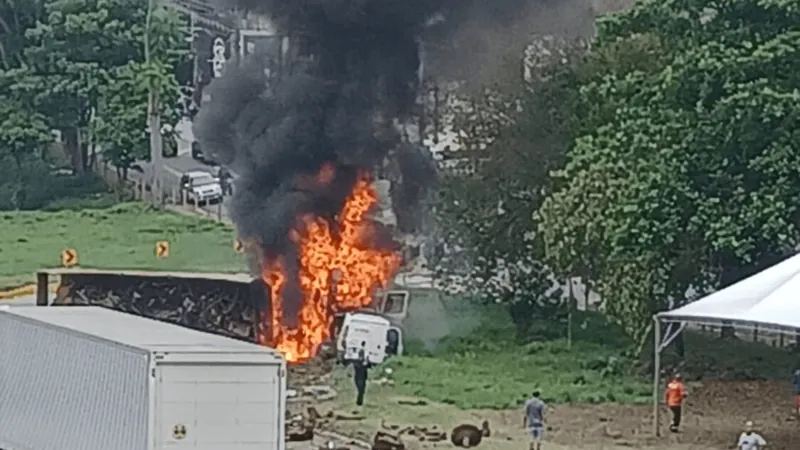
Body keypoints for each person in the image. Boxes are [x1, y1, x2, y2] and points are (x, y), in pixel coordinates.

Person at [353, 341, 369, 406]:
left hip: (359, 378)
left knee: (360, 390)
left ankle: (359, 401)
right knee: (361, 390)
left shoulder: (357, 363)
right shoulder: (364, 351)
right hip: (361, 378)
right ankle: (360, 401)